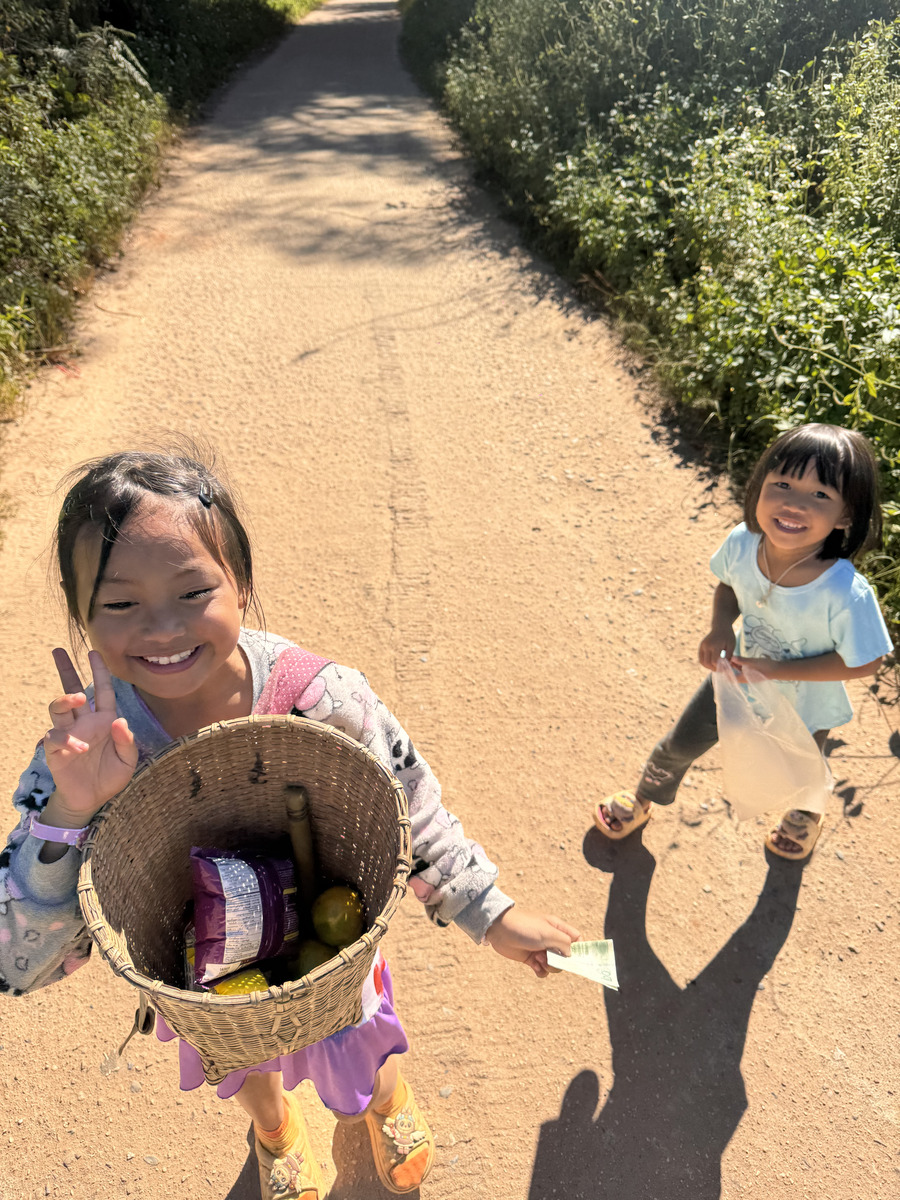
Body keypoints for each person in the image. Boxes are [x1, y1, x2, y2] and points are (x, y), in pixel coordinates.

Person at [0, 447, 579, 1200]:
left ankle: (383, 1097)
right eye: (119, 604)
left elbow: (409, 805)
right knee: (245, 1061)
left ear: (241, 583)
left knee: (361, 1038)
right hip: (205, 980)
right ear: (81, 616)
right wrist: (73, 811)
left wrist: (491, 913)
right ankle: (274, 1127)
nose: (162, 627)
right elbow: (18, 962)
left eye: (193, 590)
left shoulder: (323, 700)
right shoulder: (77, 760)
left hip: (331, 961)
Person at [593, 422, 893, 860]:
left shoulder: (843, 591)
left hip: (806, 702)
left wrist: (777, 671)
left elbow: (868, 662)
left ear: (847, 515)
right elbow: (730, 587)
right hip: (735, 681)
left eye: (821, 495)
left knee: (804, 765)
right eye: (783, 483)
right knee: (681, 742)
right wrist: (719, 628)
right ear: (759, 487)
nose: (794, 504)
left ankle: (804, 814)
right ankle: (643, 798)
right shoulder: (743, 542)